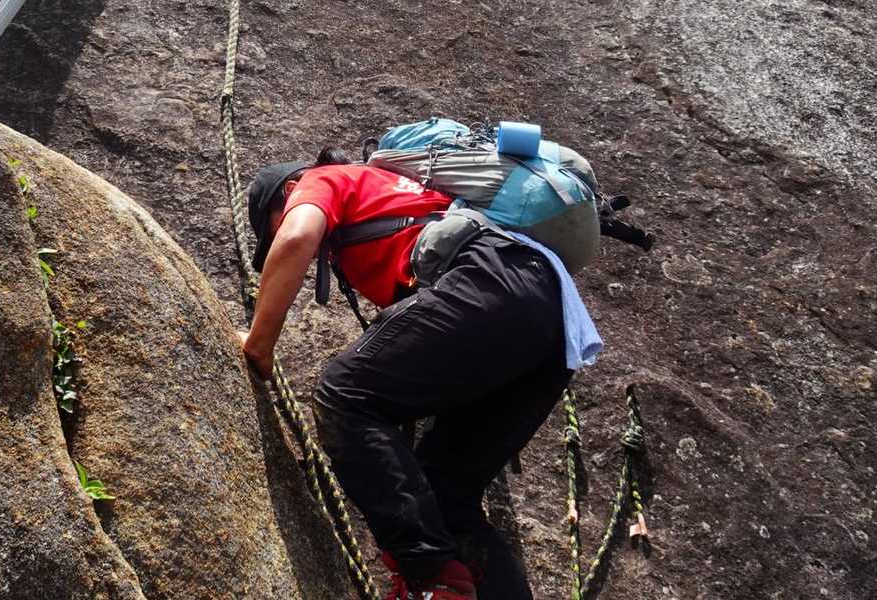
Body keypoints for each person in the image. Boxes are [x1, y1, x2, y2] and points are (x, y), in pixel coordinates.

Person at [238, 148, 603, 600]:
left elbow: (296, 237)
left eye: (271, 228)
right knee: (446, 496)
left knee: (345, 395)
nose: (277, 240)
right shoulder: (409, 196)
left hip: (491, 281)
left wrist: (258, 344)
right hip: (556, 323)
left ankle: (431, 581)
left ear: (291, 190)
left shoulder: (329, 179)